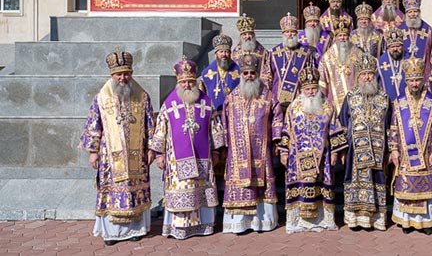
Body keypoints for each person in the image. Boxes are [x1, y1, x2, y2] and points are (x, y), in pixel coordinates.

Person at [78, 50, 155, 246]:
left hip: (137, 156)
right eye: (118, 74)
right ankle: (112, 233)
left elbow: (150, 125)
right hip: (110, 157)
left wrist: (151, 149)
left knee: (135, 192)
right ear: (112, 74)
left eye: (126, 73)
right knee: (112, 192)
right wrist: (93, 152)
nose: (123, 78)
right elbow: (94, 124)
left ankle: (136, 229)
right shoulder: (101, 98)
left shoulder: (142, 96)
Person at [151, 57, 225, 240]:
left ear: (195, 81)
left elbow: (215, 126)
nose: (187, 85)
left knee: (201, 189)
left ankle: (204, 226)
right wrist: (159, 154)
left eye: (190, 81)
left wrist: (216, 150)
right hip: (176, 159)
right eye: (183, 82)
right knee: (182, 188)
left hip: (202, 157)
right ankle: (180, 228)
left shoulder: (206, 101)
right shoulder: (169, 103)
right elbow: (161, 128)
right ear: (178, 82)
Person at [279, 65, 348, 233]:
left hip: (322, 157)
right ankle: (297, 221)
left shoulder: (327, 106)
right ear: (302, 89)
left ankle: (323, 220)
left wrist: (335, 152)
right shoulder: (293, 107)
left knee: (322, 187)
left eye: (313, 88)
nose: (311, 92)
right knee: (299, 186)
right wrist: (284, 151)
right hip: (297, 158)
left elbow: (334, 128)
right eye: (308, 89)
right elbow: (286, 129)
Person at [221, 53, 284, 234]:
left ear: (257, 74)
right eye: (246, 73)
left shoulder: (268, 96)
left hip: (261, 150)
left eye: (252, 73)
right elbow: (224, 122)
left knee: (261, 184)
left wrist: (276, 141)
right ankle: (239, 223)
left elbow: (278, 118)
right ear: (241, 75)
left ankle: (261, 222)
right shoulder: (231, 97)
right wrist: (224, 145)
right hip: (237, 152)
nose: (249, 76)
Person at [389, 57, 432, 235]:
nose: (414, 84)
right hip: (405, 154)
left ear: (422, 80)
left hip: (427, 154)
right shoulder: (399, 102)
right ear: (406, 80)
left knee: (426, 186)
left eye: (417, 80)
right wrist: (394, 149)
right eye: (411, 80)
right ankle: (407, 221)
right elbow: (394, 127)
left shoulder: (431, 101)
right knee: (407, 185)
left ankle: (426, 222)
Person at [338, 53, 391, 230]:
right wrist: (342, 149)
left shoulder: (384, 97)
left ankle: (376, 219)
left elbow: (390, 126)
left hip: (378, 151)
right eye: (364, 74)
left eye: (370, 74)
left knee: (377, 182)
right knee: (355, 183)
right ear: (358, 76)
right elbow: (342, 123)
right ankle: (354, 218)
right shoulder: (350, 97)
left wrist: (390, 150)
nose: (367, 77)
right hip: (354, 152)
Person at [318, 17, 363, 114]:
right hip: (334, 101)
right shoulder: (327, 57)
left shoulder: (358, 53)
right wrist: (323, 103)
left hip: (356, 99)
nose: (342, 38)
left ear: (348, 37)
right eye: (340, 35)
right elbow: (322, 82)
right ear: (336, 37)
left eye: (345, 35)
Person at [270, 13, 313, 110]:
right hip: (278, 96)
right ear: (283, 34)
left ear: (296, 33)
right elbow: (268, 76)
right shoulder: (274, 52)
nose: (290, 34)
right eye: (287, 32)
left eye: (292, 32)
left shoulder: (305, 52)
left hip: (299, 96)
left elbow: (310, 75)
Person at [398, 0, 432, 80]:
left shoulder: (428, 29)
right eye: (410, 12)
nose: (413, 14)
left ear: (419, 12)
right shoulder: (400, 31)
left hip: (425, 74)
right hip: (404, 74)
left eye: (415, 11)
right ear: (406, 14)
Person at [200, 32, 240, 111]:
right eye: (221, 51)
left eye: (227, 51)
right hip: (214, 115)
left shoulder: (239, 72)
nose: (224, 54)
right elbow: (202, 99)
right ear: (216, 54)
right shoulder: (206, 74)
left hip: (233, 114)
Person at [231, 14, 272, 90]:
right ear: (241, 36)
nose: (247, 37)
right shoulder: (234, 54)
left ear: (254, 35)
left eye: (250, 34)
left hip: (258, 88)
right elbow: (232, 74)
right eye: (244, 34)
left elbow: (267, 73)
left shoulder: (263, 53)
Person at [298, 2, 332, 68]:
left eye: (315, 21)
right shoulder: (300, 37)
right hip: (304, 69)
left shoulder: (326, 37)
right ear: (306, 23)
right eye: (310, 21)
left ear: (318, 23)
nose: (312, 24)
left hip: (322, 69)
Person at [377, 28, 407, 102]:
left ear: (402, 46)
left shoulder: (409, 59)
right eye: (392, 47)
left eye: (398, 46)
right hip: (387, 102)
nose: (395, 49)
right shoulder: (381, 61)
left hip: (406, 102)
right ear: (388, 47)